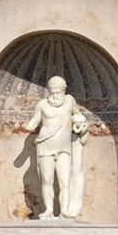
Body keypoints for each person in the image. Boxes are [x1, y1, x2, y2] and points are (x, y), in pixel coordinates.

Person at [23, 75, 86, 220]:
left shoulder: (70, 101)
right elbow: (34, 120)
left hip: (64, 149)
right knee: (47, 180)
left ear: (64, 91)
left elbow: (78, 115)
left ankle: (64, 210)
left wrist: (81, 123)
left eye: (58, 93)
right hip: (45, 146)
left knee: (65, 181)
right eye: (52, 93)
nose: (55, 96)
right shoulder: (42, 105)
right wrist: (29, 125)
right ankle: (49, 210)